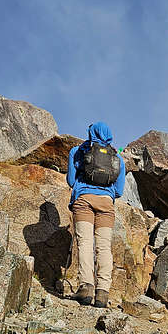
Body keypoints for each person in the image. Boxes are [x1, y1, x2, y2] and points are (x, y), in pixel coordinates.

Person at [67, 121, 126, 308]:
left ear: (91, 133)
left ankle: (86, 288)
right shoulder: (117, 158)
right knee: (103, 246)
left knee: (85, 243)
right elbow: (119, 191)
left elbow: (70, 180)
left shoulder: (77, 151)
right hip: (106, 204)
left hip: (84, 200)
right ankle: (102, 293)